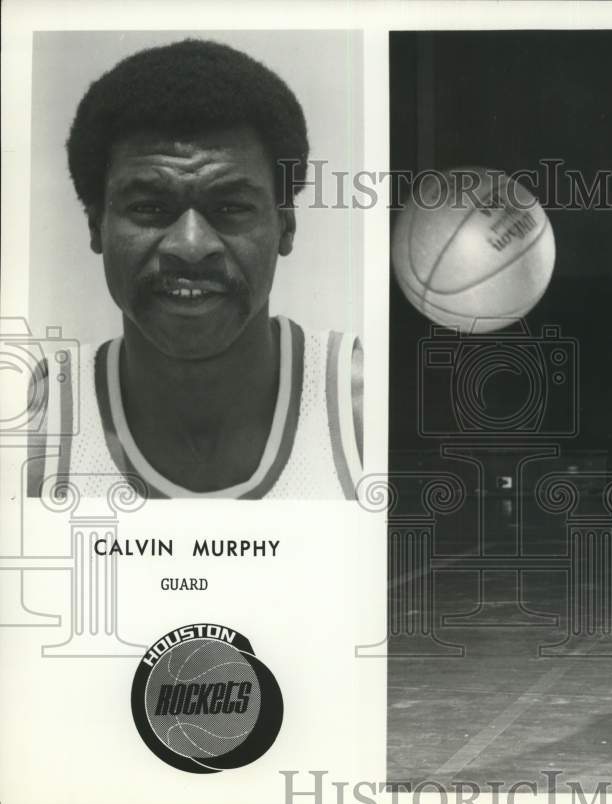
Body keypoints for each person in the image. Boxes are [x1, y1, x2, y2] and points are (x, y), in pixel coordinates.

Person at [27, 39, 362, 500]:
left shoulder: (363, 408)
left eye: (229, 207)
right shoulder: (33, 425)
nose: (190, 246)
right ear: (96, 226)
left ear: (285, 226)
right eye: (149, 206)